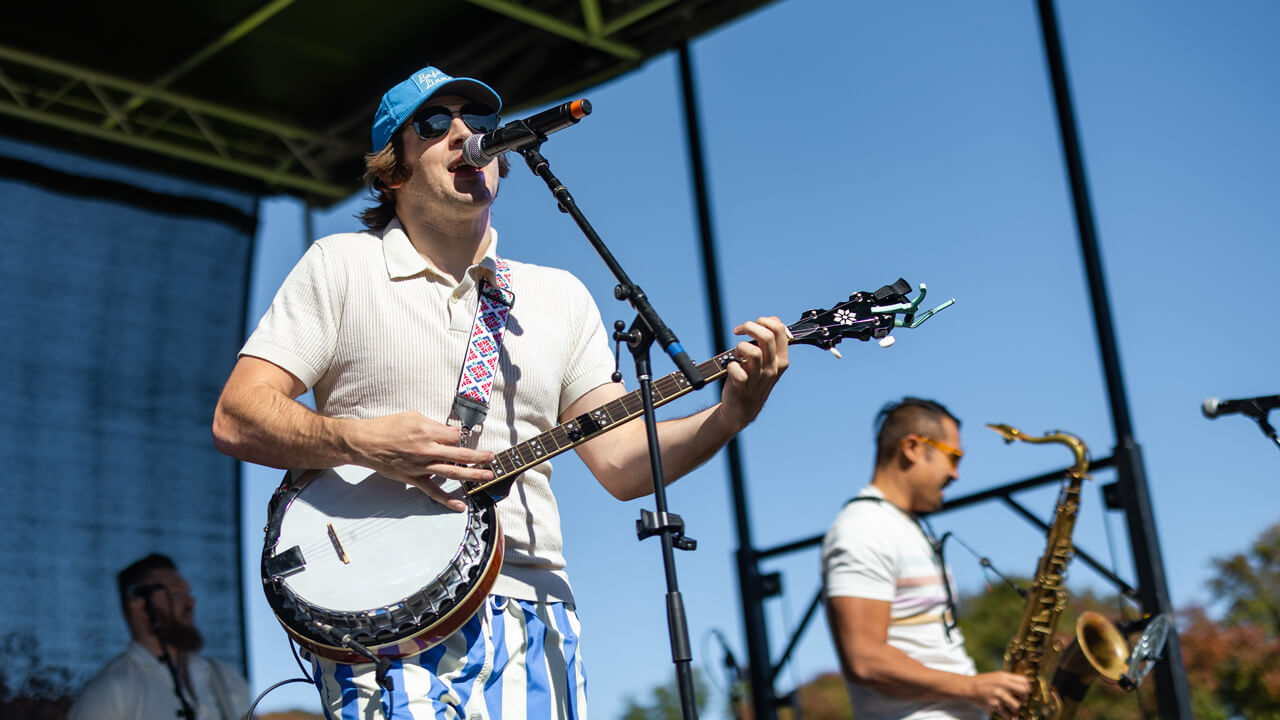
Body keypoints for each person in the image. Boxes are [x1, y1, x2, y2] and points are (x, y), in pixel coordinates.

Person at [211, 65, 790, 719]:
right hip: (382, 618)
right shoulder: (341, 266)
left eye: (479, 121)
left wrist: (731, 414)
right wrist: (365, 442)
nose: (464, 133)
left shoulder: (558, 297)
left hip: (536, 610)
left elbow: (625, 465)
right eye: (435, 123)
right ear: (392, 169)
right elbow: (238, 416)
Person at [821, 398, 1030, 719]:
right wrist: (974, 688)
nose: (956, 474)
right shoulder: (863, 527)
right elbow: (865, 659)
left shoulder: (905, 526)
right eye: (953, 457)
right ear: (914, 447)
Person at [68, 553, 251, 720]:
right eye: (177, 594)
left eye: (188, 593)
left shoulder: (223, 675)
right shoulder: (110, 690)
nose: (191, 602)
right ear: (140, 605)